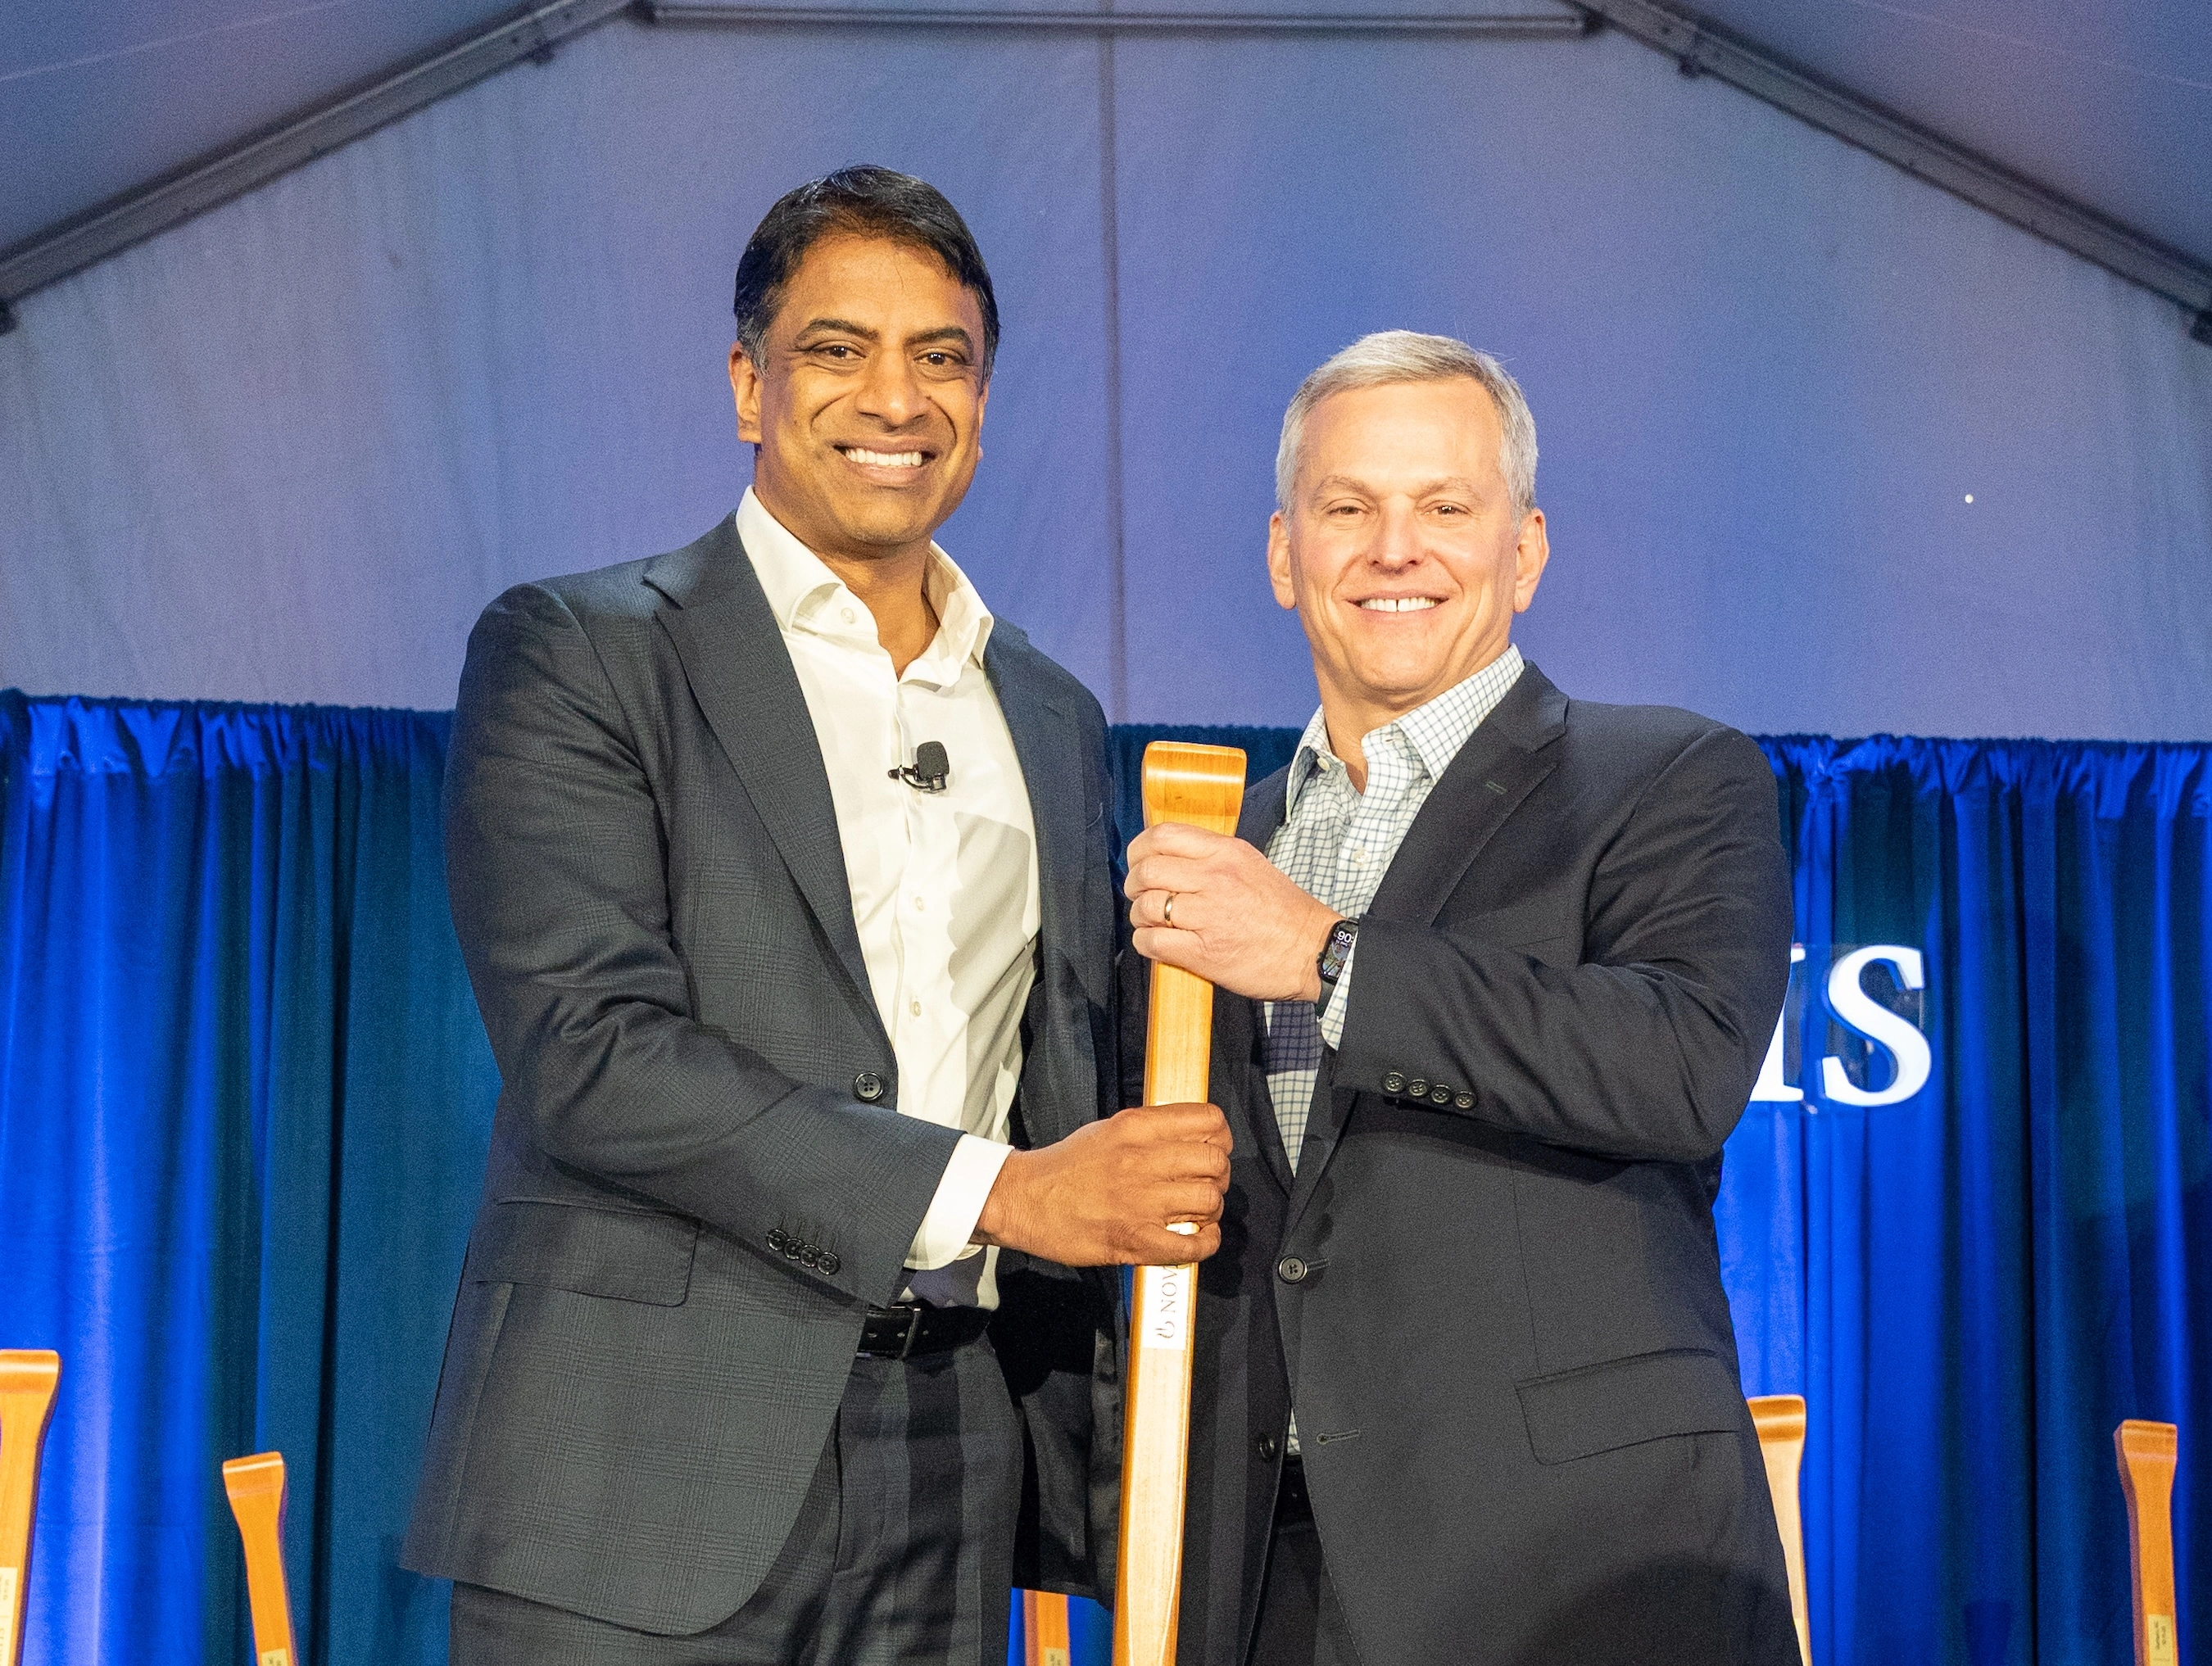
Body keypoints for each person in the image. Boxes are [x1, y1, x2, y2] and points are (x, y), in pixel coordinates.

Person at [404, 165, 1231, 1666]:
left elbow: (1069, 1066)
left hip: (954, 1456)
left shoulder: (1046, 712)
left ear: (983, 400)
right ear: (749, 384)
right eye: (837, 349)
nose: (893, 397)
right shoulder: (580, 651)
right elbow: (592, 1051)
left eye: (943, 357)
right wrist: (1000, 1192)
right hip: (640, 1466)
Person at [1122, 331, 1799, 1665]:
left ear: (1526, 550)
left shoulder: (1669, 777)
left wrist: (1329, 956)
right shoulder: (1214, 853)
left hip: (1574, 1568)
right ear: (1282, 554)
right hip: (1266, 1577)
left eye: (1445, 506)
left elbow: (1679, 1061)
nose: (1395, 547)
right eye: (1348, 507)